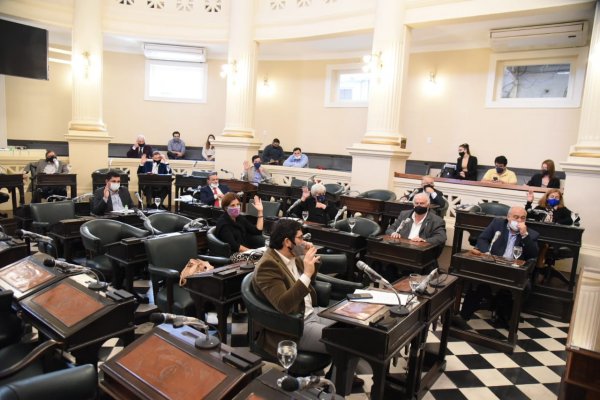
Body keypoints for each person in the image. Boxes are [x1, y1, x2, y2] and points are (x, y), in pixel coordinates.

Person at [252, 218, 331, 356]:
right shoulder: (268, 266)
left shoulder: (292, 255)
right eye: (300, 238)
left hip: (311, 312)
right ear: (287, 242)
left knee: (351, 326)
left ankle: (340, 375)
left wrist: (311, 262)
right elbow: (284, 305)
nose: (304, 242)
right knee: (345, 343)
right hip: (294, 326)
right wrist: (306, 272)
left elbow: (308, 283)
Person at [455, 206, 539, 327]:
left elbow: (533, 255)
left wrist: (524, 235)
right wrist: (487, 253)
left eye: (522, 218)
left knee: (524, 288)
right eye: (516, 217)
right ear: (508, 217)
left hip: (514, 272)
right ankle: (463, 317)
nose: (519, 220)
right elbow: (482, 239)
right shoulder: (497, 224)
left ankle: (505, 317)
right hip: (492, 266)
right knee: (476, 282)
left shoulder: (531, 234)